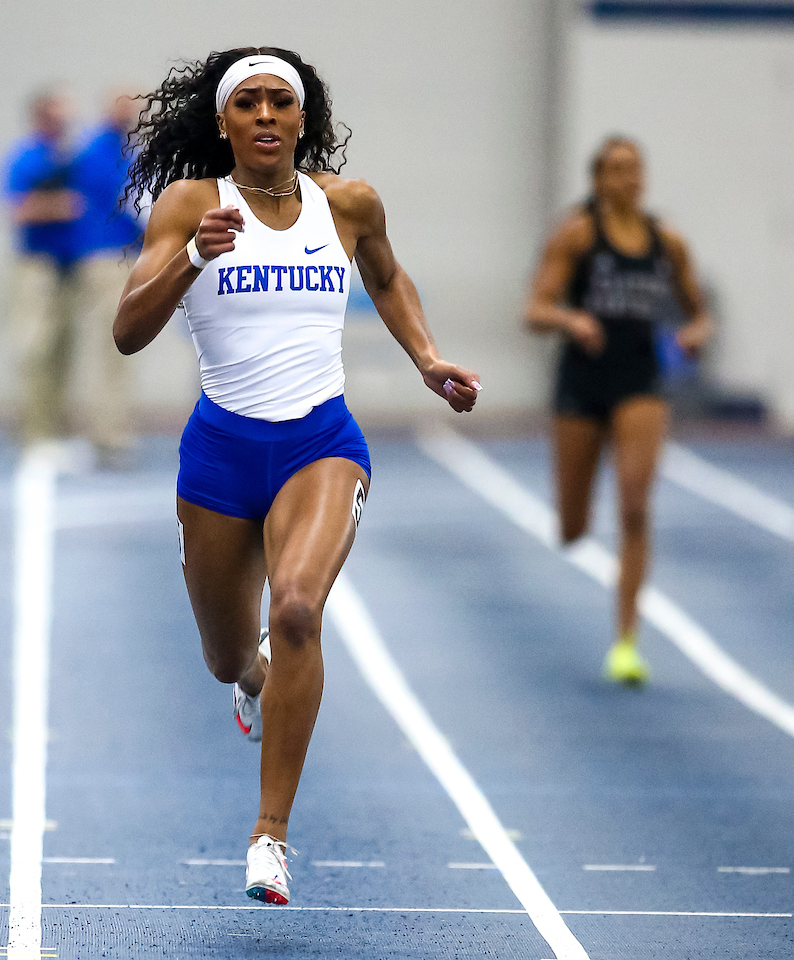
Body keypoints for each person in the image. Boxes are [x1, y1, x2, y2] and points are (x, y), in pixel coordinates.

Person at [116, 47, 480, 905]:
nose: (266, 115)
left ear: (302, 117)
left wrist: (427, 359)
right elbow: (127, 331)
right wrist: (191, 258)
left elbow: (386, 277)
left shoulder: (347, 204)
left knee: (297, 611)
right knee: (226, 657)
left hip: (321, 443)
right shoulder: (189, 205)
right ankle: (253, 678)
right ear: (223, 122)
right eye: (249, 103)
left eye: (281, 101)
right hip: (221, 452)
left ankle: (269, 837)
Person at [524, 136, 712, 686]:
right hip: (583, 380)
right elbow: (535, 309)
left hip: (640, 381)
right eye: (618, 169)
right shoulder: (578, 235)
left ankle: (626, 641)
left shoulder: (667, 242)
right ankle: (575, 522)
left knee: (634, 506)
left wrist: (695, 334)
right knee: (572, 526)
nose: (629, 178)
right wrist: (571, 320)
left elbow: (698, 313)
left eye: (636, 169)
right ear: (599, 180)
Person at [1, 88, 84, 443]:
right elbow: (15, 209)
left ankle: (55, 430)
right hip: (36, 267)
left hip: (68, 266)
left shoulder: (68, 158)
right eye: (57, 116)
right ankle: (33, 433)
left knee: (64, 352)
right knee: (35, 349)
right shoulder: (25, 158)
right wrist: (61, 205)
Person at [70, 90, 145, 465]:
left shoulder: (123, 149)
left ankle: (111, 429)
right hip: (107, 257)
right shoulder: (102, 151)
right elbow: (134, 202)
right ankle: (106, 433)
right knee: (112, 344)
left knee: (115, 349)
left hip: (121, 256)